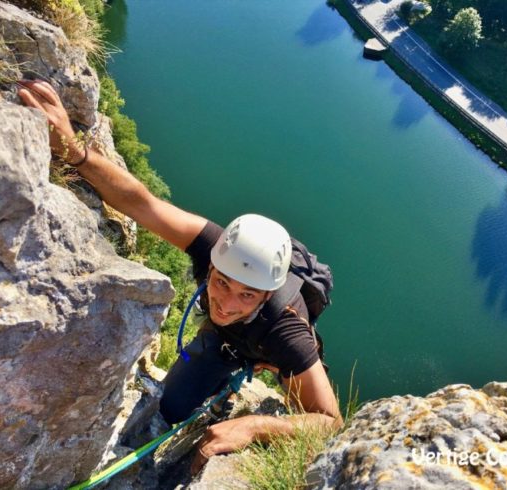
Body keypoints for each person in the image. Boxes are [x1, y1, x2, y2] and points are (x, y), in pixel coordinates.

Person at [18, 80, 342, 474]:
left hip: (266, 347)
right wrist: (73, 151)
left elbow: (329, 420)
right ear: (214, 264)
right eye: (221, 282)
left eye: (247, 295)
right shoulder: (216, 247)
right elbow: (143, 204)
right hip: (224, 341)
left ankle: (244, 386)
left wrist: (255, 427)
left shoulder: (286, 332)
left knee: (291, 408)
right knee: (171, 404)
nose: (226, 302)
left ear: (266, 295)